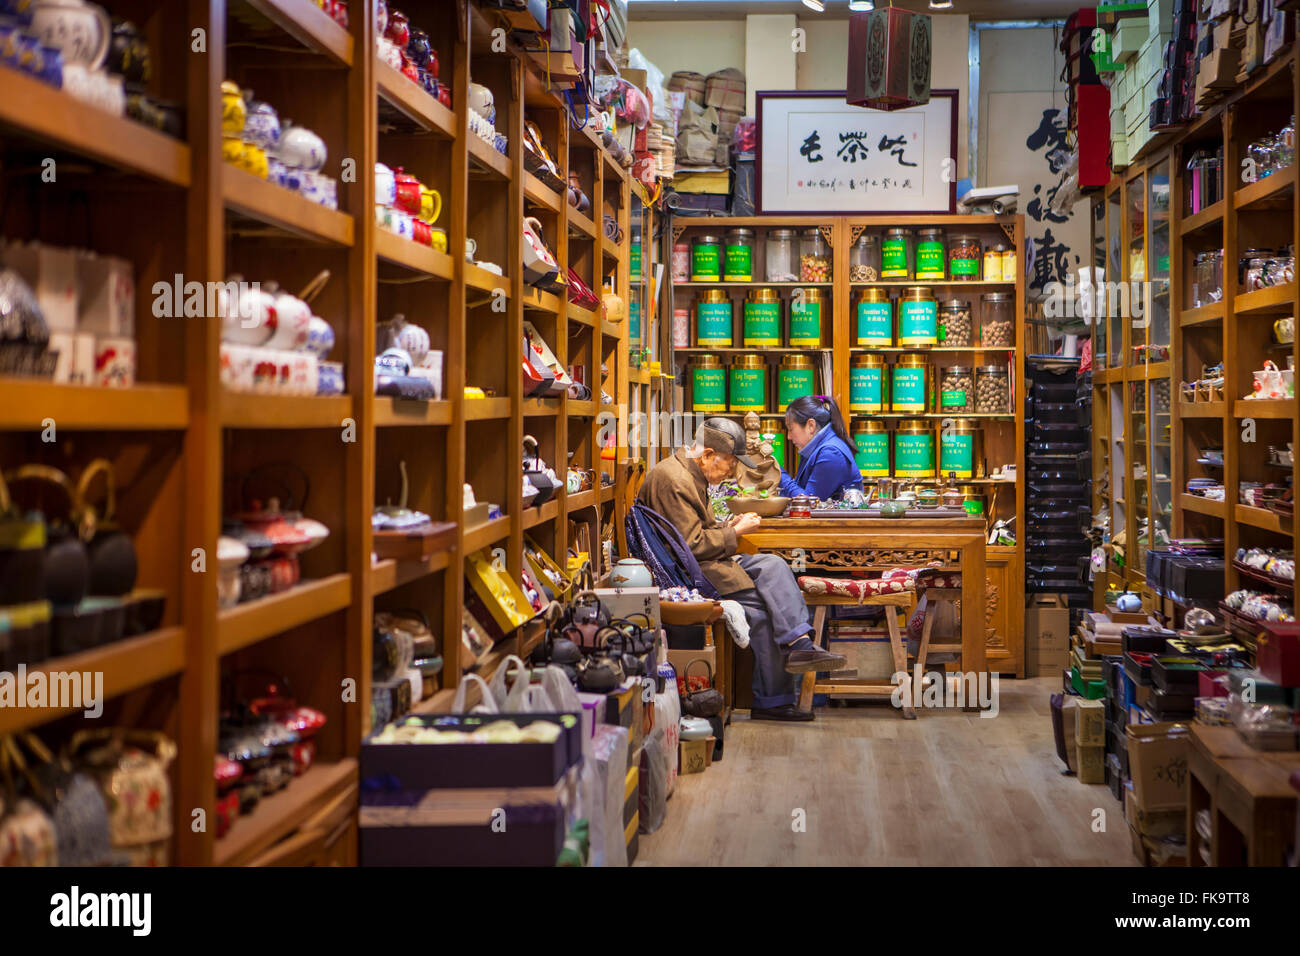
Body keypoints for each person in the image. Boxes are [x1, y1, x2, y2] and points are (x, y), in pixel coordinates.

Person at [638, 417, 846, 722]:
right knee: (762, 608)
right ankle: (772, 701)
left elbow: (695, 533)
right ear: (708, 455)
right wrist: (734, 533)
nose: (733, 471)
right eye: (731, 462)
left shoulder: (689, 473)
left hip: (705, 561)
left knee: (774, 564)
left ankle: (800, 642)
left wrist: (728, 527)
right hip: (687, 573)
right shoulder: (675, 480)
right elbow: (691, 547)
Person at [777, 394, 864, 501]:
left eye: (790, 429)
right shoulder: (814, 449)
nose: (788, 437)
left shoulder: (831, 453)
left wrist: (778, 473)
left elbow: (808, 503)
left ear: (811, 426)